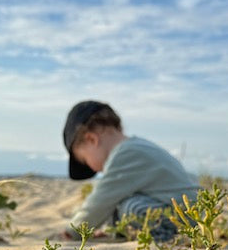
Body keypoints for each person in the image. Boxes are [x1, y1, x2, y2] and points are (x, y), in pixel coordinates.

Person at [62, 100, 199, 241]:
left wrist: (73, 231)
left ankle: (168, 239)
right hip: (185, 213)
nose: (91, 168)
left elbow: (99, 202)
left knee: (131, 208)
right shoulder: (138, 146)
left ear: (92, 139)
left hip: (186, 218)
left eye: (84, 161)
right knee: (122, 205)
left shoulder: (125, 155)